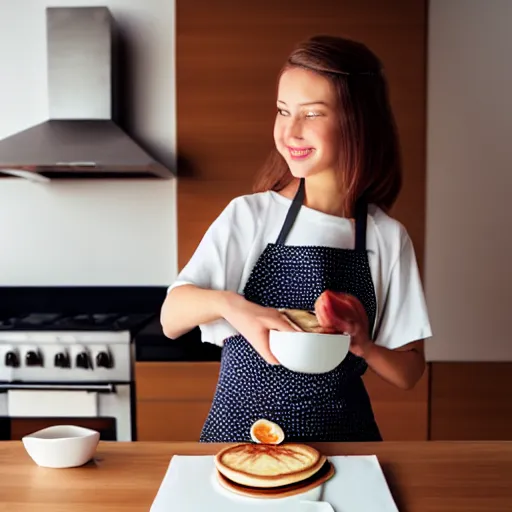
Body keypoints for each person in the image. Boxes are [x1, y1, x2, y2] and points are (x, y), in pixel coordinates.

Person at [161, 34, 432, 443]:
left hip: (344, 444)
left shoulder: (386, 237)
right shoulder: (251, 215)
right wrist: (234, 307)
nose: (291, 130)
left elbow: (410, 371)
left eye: (312, 114)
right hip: (239, 439)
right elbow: (170, 317)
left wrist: (363, 344)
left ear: (358, 121)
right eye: (283, 111)